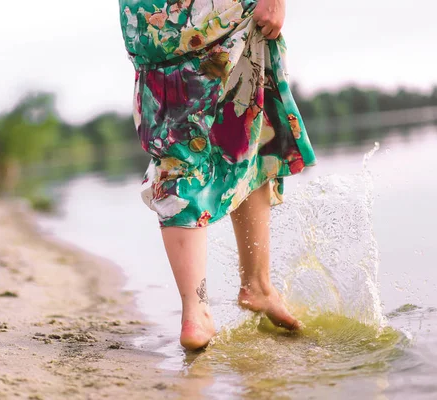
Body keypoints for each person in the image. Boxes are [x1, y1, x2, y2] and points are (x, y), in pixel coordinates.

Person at [118, 0, 316, 350]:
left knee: (179, 155)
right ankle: (254, 285)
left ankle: (198, 310)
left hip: (149, 22)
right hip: (216, 13)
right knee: (246, 123)